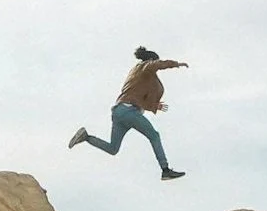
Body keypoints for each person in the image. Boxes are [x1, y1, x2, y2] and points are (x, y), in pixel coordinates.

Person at [70, 46, 188, 180]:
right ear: (150, 60)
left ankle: (86, 137)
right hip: (128, 111)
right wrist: (176, 64)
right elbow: (155, 65)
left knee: (113, 149)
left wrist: (154, 105)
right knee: (154, 136)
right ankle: (165, 170)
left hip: (119, 111)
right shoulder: (145, 67)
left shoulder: (137, 73)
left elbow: (137, 98)